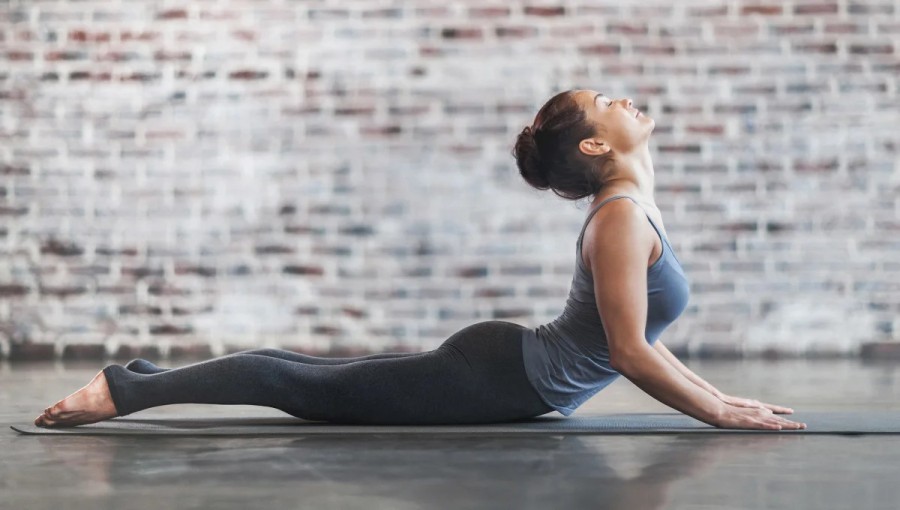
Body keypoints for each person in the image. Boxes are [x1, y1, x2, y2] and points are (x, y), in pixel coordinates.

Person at [35, 89, 806, 430]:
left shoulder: (630, 215)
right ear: (598, 145)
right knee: (298, 385)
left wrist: (727, 399)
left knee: (307, 375)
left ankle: (133, 379)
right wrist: (714, 412)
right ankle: (122, 393)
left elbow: (637, 340)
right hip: (499, 375)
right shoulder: (620, 223)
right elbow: (630, 353)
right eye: (608, 101)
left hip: (503, 368)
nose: (626, 100)